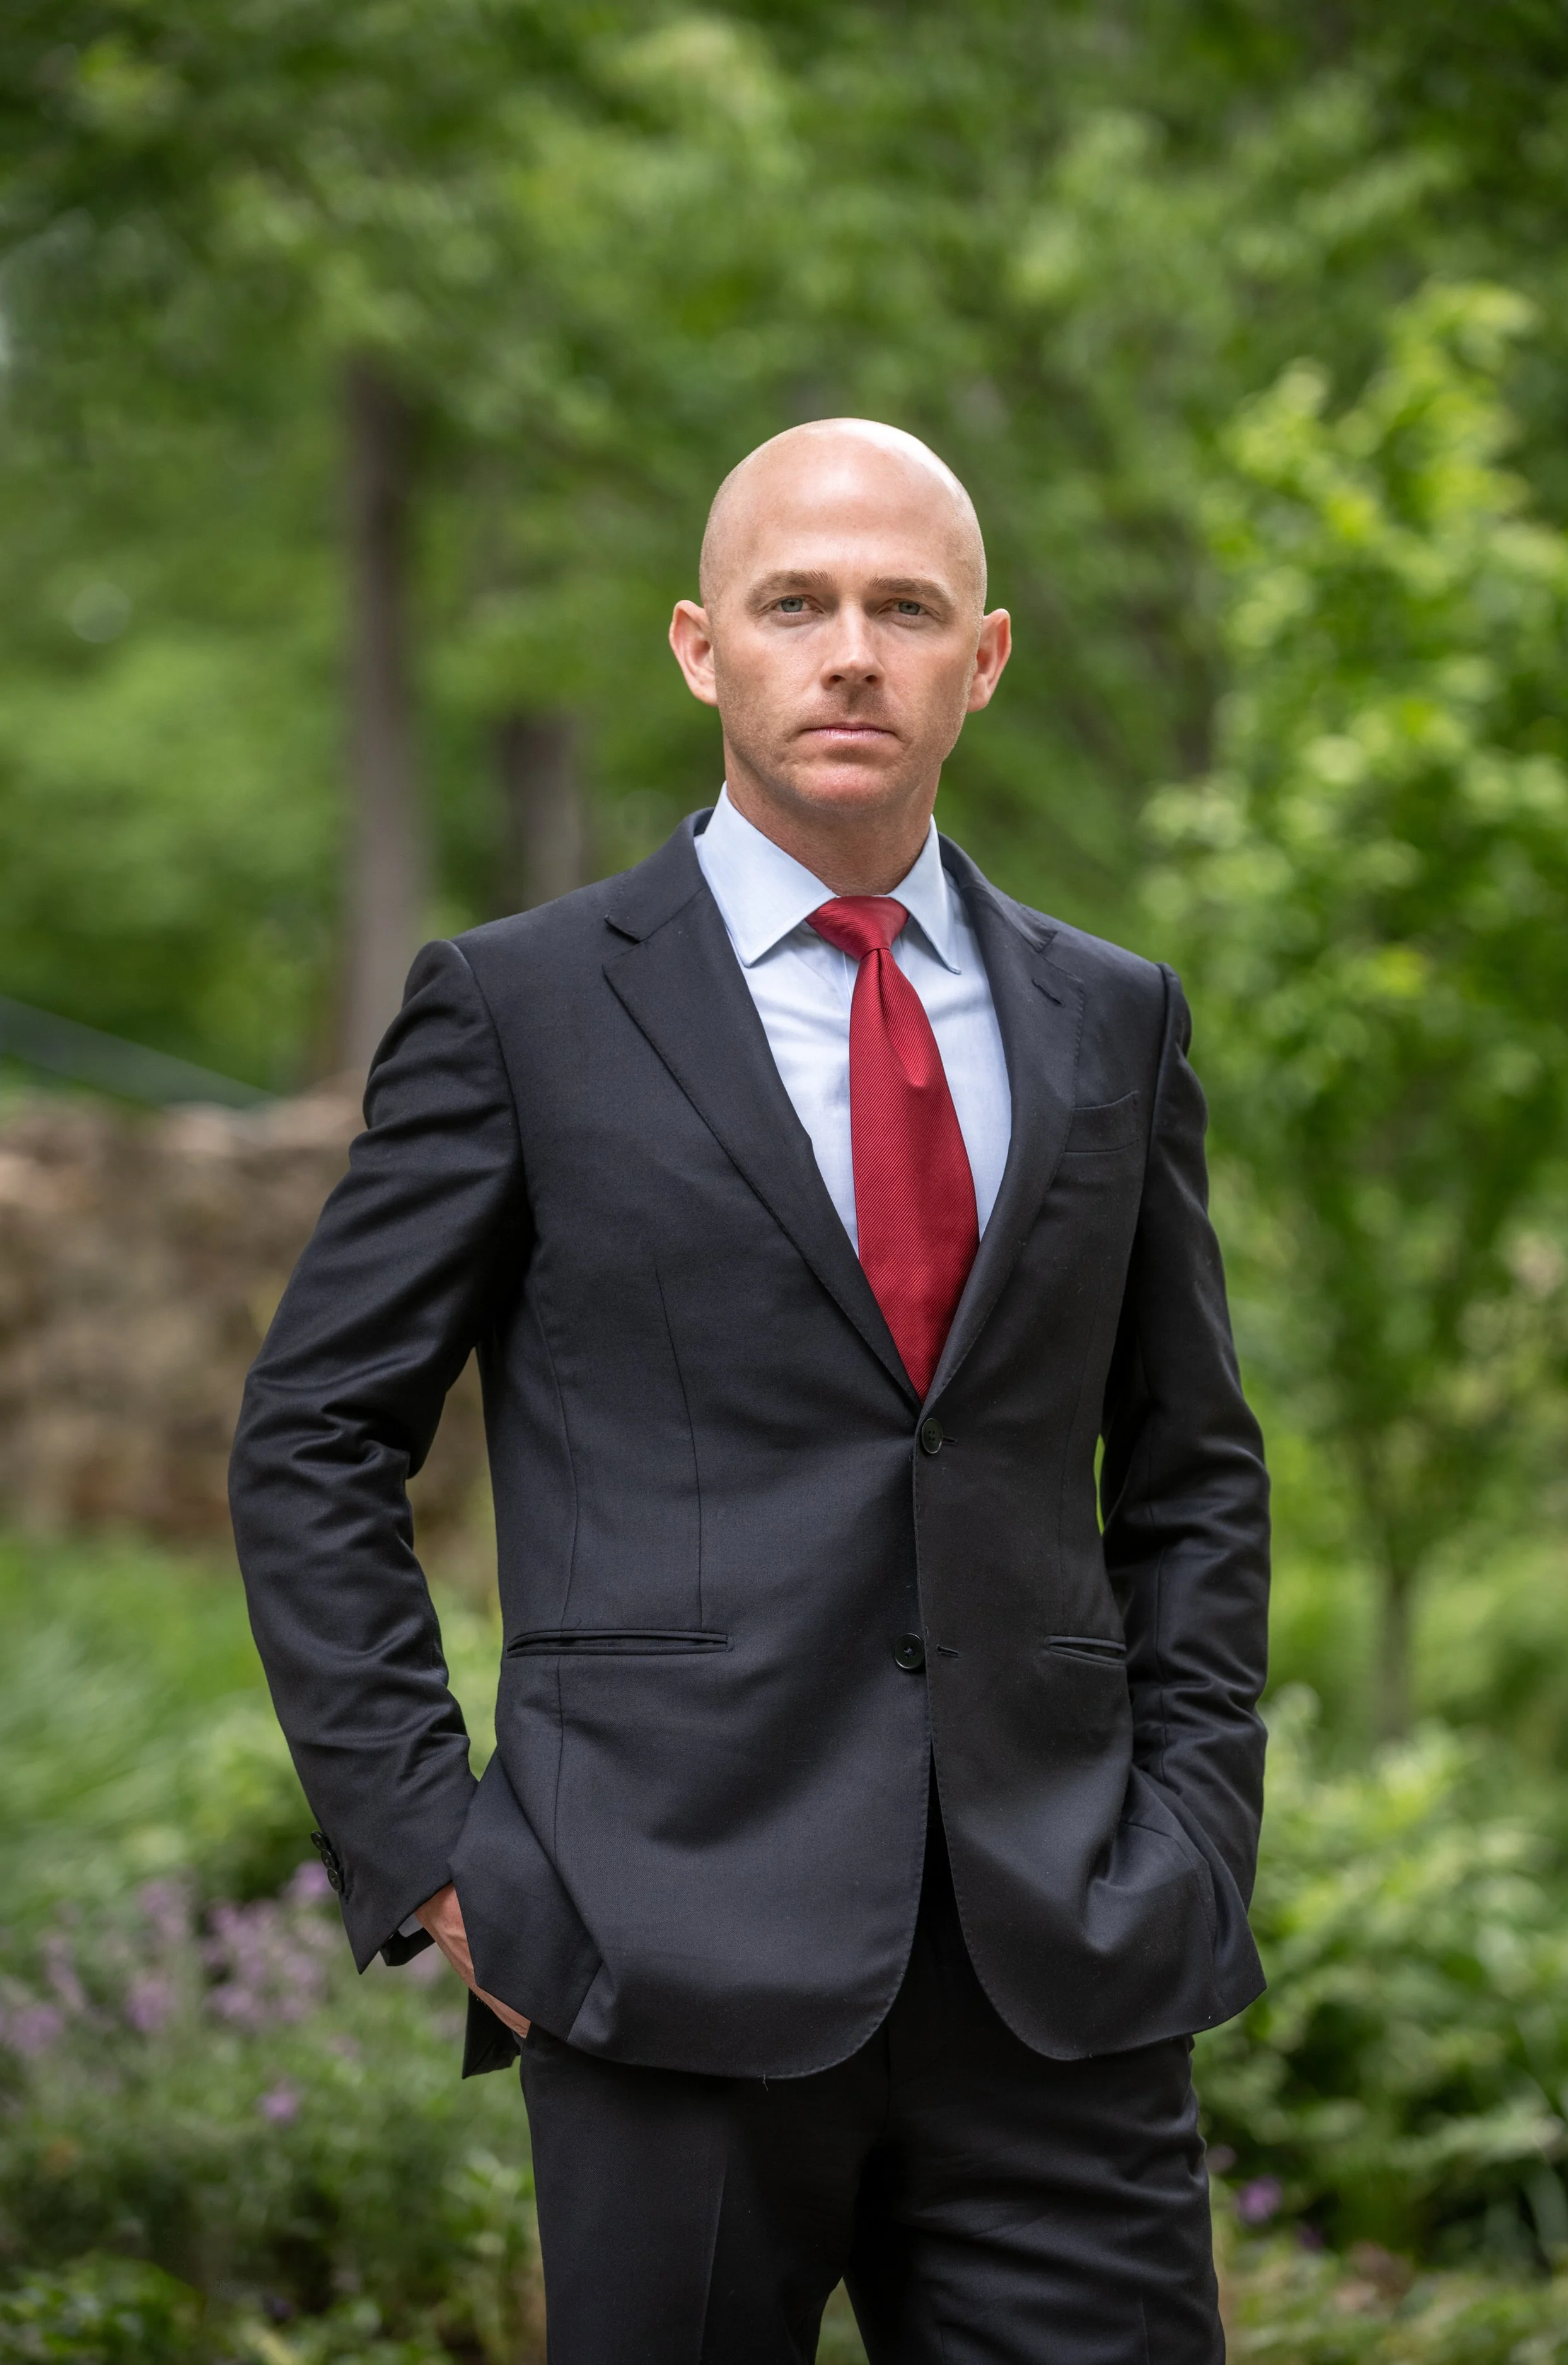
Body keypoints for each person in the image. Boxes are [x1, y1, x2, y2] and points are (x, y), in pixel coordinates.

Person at [229, 418, 1270, 2364]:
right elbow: (311, 1437)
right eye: (796, 604)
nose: (851, 652)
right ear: (702, 647)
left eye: (905, 608)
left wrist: (1195, 1827)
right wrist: (442, 1857)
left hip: (1064, 1970)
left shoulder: (1111, 1017)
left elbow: (1191, 1467)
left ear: (985, 657)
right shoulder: (522, 1009)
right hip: (658, 1959)